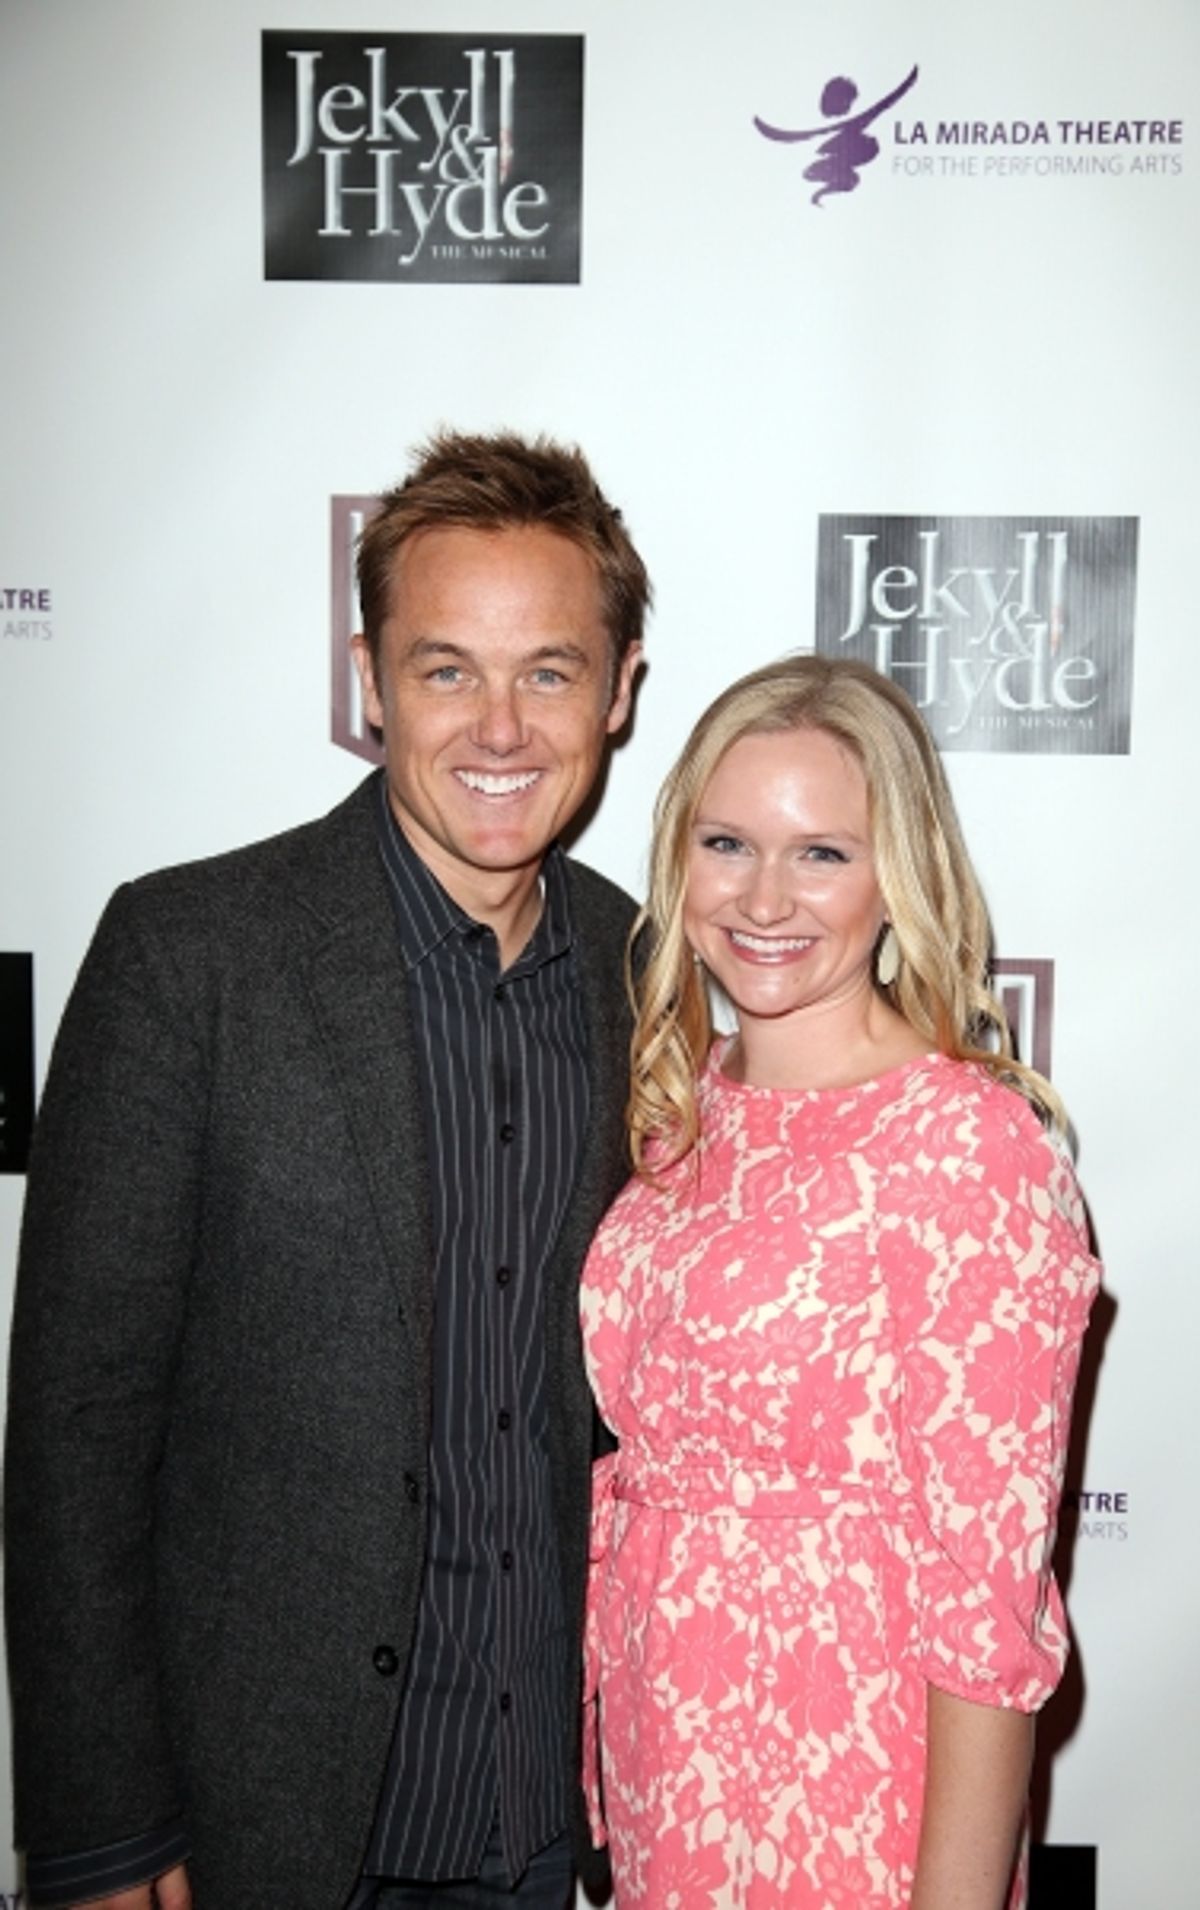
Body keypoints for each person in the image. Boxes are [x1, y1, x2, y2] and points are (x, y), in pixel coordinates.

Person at [5, 431, 651, 1910]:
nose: (500, 725)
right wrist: (100, 1818)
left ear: (617, 692)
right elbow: (79, 1417)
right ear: (370, 679)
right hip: (263, 1826)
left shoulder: (650, 971)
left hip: (548, 1821)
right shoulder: (193, 955)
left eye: (549, 670)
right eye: (445, 668)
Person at [580, 655, 1100, 1909]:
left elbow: (987, 1615)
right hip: (669, 1766)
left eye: (822, 853)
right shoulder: (682, 1112)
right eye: (727, 841)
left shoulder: (970, 1150)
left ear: (897, 876)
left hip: (849, 1791)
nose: (765, 896)